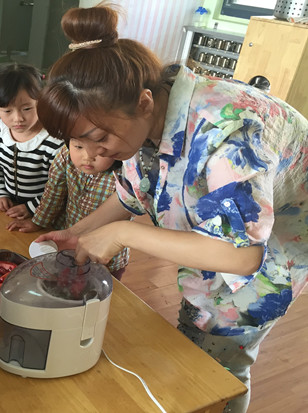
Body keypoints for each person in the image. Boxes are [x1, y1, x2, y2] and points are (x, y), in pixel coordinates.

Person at [34, 4, 308, 413]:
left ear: (144, 103)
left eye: (100, 139)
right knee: (192, 343)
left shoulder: (226, 133)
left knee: (220, 367)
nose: (93, 154)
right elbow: (133, 193)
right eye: (79, 142)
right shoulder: (140, 116)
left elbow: (242, 255)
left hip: (277, 242)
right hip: (220, 237)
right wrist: (78, 234)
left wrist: (123, 234)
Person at [7, 140, 129, 280]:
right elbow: (53, 192)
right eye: (79, 147)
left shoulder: (127, 173)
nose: (87, 157)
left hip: (106, 252)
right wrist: (38, 221)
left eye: (100, 150)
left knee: (103, 284)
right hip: (68, 239)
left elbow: (127, 208)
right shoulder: (65, 155)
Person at [0, 63, 63, 220]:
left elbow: (59, 186)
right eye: (7, 111)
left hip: (45, 213)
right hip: (8, 210)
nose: (18, 118)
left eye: (27, 109)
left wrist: (33, 207)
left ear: (42, 100)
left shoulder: (54, 141)